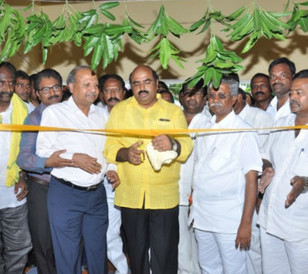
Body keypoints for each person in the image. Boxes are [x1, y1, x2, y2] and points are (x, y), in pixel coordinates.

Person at [104, 65, 193, 274]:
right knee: (136, 255)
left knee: (165, 255)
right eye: (136, 83)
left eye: (146, 82)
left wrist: (173, 143)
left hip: (164, 197)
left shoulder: (173, 111)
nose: (141, 87)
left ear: (156, 83)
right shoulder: (119, 111)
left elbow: (187, 147)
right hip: (130, 196)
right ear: (131, 87)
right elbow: (109, 147)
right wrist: (125, 153)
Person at [36, 65, 119, 274]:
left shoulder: (103, 115)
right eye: (87, 85)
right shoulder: (55, 113)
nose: (93, 90)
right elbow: (43, 152)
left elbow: (110, 148)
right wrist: (74, 159)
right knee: (68, 254)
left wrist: (112, 168)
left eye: (96, 85)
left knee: (98, 252)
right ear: (71, 87)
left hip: (97, 194)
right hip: (66, 194)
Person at [189, 75, 262, 274]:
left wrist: (246, 223)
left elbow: (251, 181)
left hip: (230, 220)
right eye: (211, 95)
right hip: (202, 216)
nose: (215, 100)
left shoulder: (243, 132)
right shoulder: (203, 127)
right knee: (208, 268)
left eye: (222, 95)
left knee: (234, 270)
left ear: (235, 98)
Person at [17, 68, 74, 274]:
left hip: (71, 189)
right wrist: (50, 162)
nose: (53, 93)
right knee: (44, 243)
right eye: (46, 89)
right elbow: (24, 158)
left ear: (63, 88)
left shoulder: (75, 114)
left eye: (56, 87)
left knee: (69, 242)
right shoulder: (34, 119)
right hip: (43, 188)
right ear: (37, 93)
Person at [257, 69, 308, 273]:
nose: (293, 97)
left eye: (300, 93)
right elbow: (265, 154)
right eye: (293, 92)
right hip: (270, 218)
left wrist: (305, 182)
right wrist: (266, 166)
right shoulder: (281, 124)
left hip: (300, 224)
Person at [234, 87, 274, 274]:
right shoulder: (216, 122)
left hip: (255, 186)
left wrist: (259, 193)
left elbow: (266, 157)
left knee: (252, 246)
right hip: (230, 195)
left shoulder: (260, 118)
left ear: (241, 97)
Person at [0, 62, 32, 273]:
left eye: (11, 83)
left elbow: (31, 150)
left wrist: (24, 176)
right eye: (1, 82)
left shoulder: (26, 110)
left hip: (13, 193)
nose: (7, 88)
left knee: (19, 246)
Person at [177, 79, 211, 274]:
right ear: (181, 96)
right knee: (181, 241)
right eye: (188, 92)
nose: (192, 97)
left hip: (201, 194)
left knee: (201, 244)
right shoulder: (171, 120)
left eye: (197, 93)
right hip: (175, 191)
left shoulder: (211, 123)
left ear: (205, 99)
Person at [98, 73, 129, 274]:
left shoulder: (134, 114)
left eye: (116, 89)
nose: (112, 94)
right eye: (107, 90)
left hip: (134, 184)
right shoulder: (95, 117)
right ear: (101, 95)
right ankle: (124, 270)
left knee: (141, 236)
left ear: (124, 92)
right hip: (108, 187)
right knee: (108, 235)